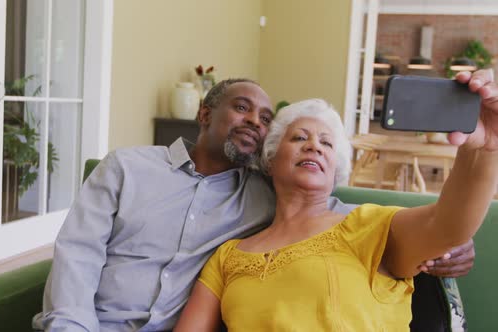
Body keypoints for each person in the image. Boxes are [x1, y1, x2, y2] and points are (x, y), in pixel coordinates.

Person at [33, 78, 475, 331]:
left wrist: (445, 241)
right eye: (241, 107)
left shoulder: (281, 198)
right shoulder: (126, 168)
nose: (254, 122)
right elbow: (78, 255)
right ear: (205, 113)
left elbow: (328, 212)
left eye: (265, 118)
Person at [174, 69, 497, 331]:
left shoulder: (368, 225)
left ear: (335, 170)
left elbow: (448, 226)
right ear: (270, 159)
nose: (314, 146)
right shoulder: (228, 257)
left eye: (326, 144)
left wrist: (483, 150)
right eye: (299, 137)